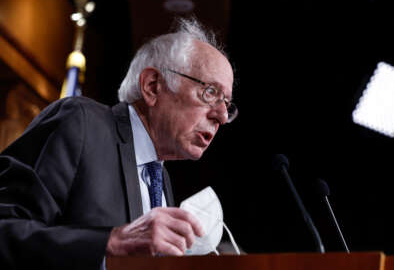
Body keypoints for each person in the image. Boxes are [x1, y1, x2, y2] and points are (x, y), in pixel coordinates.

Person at [0, 17, 238, 269]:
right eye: (210, 92)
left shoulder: (161, 179)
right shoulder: (80, 123)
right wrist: (109, 243)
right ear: (152, 86)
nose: (222, 116)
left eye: (227, 103)